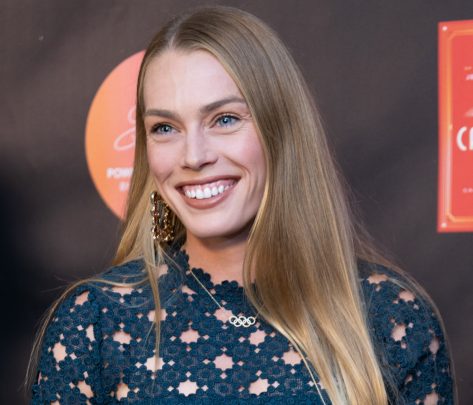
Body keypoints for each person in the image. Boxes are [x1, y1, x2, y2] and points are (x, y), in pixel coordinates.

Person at [27, 5, 455, 405]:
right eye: (165, 127)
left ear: (281, 132)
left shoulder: (391, 318)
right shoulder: (94, 323)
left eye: (225, 119)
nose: (193, 156)